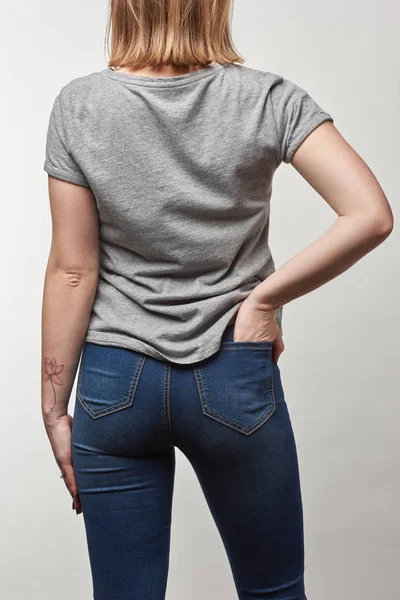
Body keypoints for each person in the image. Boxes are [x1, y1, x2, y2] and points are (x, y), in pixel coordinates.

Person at [41, 1, 393, 599]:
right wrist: (262, 301)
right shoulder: (268, 99)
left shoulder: (80, 105)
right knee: (274, 594)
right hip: (232, 371)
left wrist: (53, 410)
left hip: (113, 383)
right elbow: (370, 215)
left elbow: (73, 270)